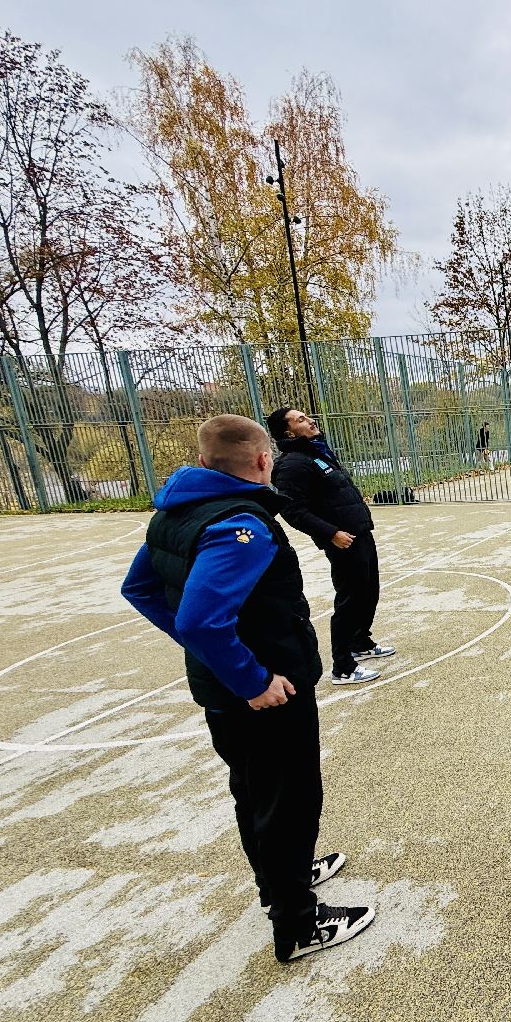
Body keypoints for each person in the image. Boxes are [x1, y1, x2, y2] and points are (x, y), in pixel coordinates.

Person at [121, 415, 374, 964]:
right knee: (290, 800)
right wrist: (250, 677)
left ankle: (277, 880)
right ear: (263, 461)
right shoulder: (243, 524)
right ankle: (297, 925)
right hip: (269, 692)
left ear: (206, 461)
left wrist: (215, 658)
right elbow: (198, 621)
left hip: (223, 690)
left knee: (254, 789)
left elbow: (140, 588)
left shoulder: (175, 511)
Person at [267, 407, 391, 688]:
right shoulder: (292, 464)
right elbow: (293, 510)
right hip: (343, 540)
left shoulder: (317, 453)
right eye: (301, 420)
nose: (310, 421)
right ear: (288, 432)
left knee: (369, 591)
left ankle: (360, 641)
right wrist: (332, 533)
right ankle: (342, 666)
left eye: (307, 417)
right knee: (350, 599)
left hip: (359, 533)